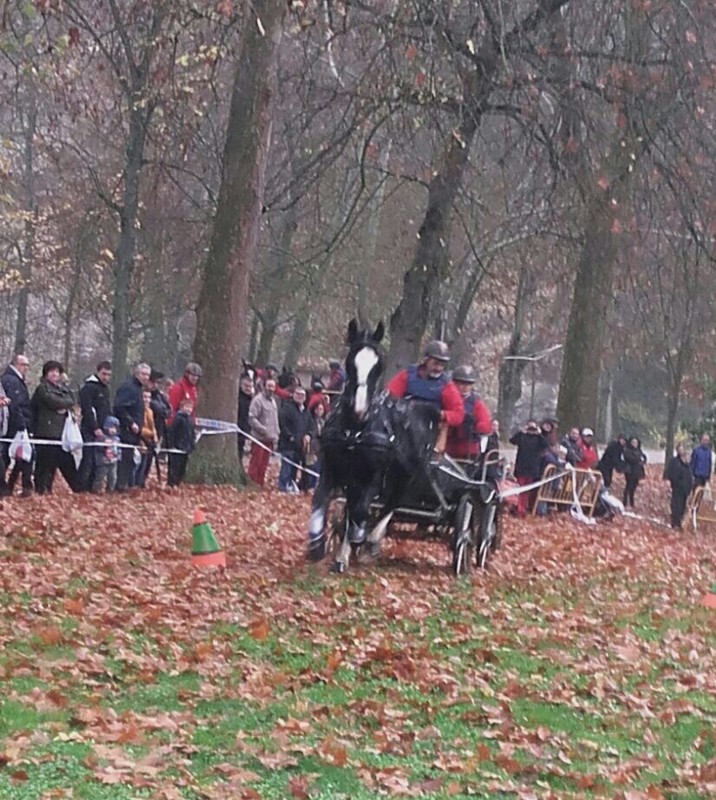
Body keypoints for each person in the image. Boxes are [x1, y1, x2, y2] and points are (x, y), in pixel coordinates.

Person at [386, 340, 465, 429]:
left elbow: (459, 414)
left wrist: (440, 414)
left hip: (430, 428)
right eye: (435, 363)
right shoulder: (407, 375)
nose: (439, 368)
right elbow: (390, 396)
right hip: (403, 424)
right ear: (426, 360)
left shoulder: (446, 385)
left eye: (442, 365)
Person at [31, 360, 78, 494]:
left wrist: (64, 405)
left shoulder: (63, 388)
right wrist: (63, 405)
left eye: (57, 371)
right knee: (43, 463)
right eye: (51, 371)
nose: (54, 374)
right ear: (46, 373)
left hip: (61, 433)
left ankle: (49, 488)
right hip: (45, 431)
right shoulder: (42, 388)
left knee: (54, 463)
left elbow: (71, 400)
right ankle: (41, 488)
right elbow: (52, 401)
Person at [114, 363, 151, 491]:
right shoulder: (129, 387)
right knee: (125, 459)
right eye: (143, 374)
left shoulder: (138, 388)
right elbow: (119, 407)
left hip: (135, 431)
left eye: (147, 375)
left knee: (131, 460)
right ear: (137, 373)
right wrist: (130, 423)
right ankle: (120, 486)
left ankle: (125, 485)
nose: (146, 377)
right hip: (126, 430)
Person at [76, 360, 112, 492]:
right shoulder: (88, 388)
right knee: (88, 459)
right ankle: (81, 487)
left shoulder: (106, 389)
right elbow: (87, 409)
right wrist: (95, 427)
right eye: (104, 374)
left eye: (108, 375)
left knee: (99, 461)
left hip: (104, 430)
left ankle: (92, 487)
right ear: (98, 372)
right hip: (90, 430)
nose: (106, 377)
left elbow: (107, 410)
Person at [1, 354, 33, 497]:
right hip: (15, 425)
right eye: (23, 364)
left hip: (14, 423)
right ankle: (16, 486)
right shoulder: (13, 381)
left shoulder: (15, 380)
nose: (26, 368)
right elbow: (15, 404)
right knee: (22, 456)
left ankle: (9, 486)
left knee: (20, 456)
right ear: (16, 364)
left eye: (27, 365)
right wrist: (22, 425)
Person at [445, 364, 492, 460]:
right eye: (462, 383)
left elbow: (486, 425)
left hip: (468, 452)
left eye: (468, 384)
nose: (465, 387)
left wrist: (474, 426)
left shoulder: (476, 403)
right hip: (446, 449)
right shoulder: (446, 398)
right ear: (454, 383)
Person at [278, 386, 315, 493]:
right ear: (293, 395)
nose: (300, 397)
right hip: (288, 444)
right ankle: (283, 488)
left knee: (295, 469)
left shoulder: (306, 412)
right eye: (297, 394)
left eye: (302, 395)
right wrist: (290, 437)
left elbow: (312, 426)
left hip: (301, 447)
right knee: (287, 468)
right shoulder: (287, 408)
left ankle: (291, 486)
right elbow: (282, 424)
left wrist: (309, 435)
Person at [509, 420, 549, 515]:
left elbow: (546, 445)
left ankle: (523, 507)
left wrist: (539, 434)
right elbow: (512, 441)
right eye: (530, 427)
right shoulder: (522, 437)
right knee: (520, 489)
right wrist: (521, 432)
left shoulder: (538, 439)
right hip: (521, 467)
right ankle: (519, 508)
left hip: (532, 468)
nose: (531, 430)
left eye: (533, 428)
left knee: (527, 490)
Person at [247, 377, 280, 487]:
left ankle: (260, 485)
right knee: (256, 463)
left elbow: (275, 420)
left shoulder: (273, 402)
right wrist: (263, 430)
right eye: (269, 386)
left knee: (264, 465)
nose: (271, 389)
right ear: (264, 386)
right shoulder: (257, 400)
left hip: (269, 440)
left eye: (273, 386)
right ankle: (252, 484)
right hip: (259, 439)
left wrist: (276, 433)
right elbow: (252, 418)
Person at [167, 397, 195, 487]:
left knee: (182, 467)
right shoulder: (178, 418)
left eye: (190, 407)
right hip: (177, 447)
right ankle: (172, 483)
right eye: (187, 407)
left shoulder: (190, 420)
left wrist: (192, 445)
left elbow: (192, 433)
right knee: (175, 466)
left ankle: (177, 482)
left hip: (186, 448)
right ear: (182, 407)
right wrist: (172, 445)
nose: (189, 409)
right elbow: (172, 432)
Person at [666, 444, 693, 530]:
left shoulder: (688, 468)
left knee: (682, 507)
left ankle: (679, 522)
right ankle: (675, 523)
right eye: (687, 458)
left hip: (685, 491)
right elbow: (674, 477)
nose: (689, 460)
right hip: (678, 489)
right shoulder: (676, 464)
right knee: (676, 506)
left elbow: (689, 479)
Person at [136, 390, 158, 488]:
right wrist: (151, 433)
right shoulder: (138, 411)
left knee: (147, 464)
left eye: (149, 397)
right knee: (139, 464)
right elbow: (141, 428)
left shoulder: (150, 411)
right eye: (145, 397)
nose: (147, 400)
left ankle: (142, 482)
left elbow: (153, 426)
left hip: (150, 441)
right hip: (140, 440)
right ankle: (136, 484)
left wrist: (155, 436)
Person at [92, 416, 120, 493]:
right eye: (111, 427)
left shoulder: (117, 439)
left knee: (113, 477)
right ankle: (96, 489)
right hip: (103, 461)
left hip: (113, 461)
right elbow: (97, 447)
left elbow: (119, 449)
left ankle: (110, 490)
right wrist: (104, 445)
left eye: (115, 428)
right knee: (100, 476)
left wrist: (118, 456)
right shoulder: (101, 437)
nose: (113, 430)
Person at [622, 436, 647, 508]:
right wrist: (638, 459)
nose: (635, 444)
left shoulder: (639, 450)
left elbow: (644, 457)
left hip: (637, 471)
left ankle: (631, 501)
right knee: (629, 485)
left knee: (634, 485)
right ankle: (625, 502)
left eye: (636, 442)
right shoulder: (627, 450)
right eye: (633, 442)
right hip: (630, 470)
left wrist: (642, 462)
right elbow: (630, 458)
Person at [237, 374, 255, 459]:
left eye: (250, 386)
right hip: (237, 428)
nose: (248, 388)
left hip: (244, 429)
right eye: (246, 386)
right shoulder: (237, 398)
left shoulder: (251, 400)